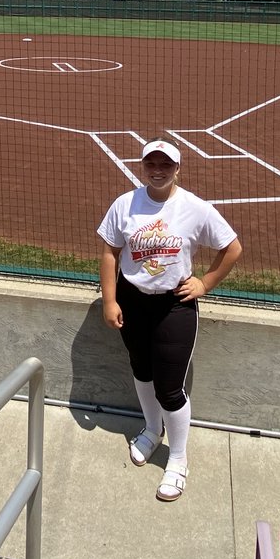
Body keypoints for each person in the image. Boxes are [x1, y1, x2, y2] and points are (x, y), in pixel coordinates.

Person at [97, 137, 243, 501]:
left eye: (166, 165)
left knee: (170, 386)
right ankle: (151, 430)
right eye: (151, 164)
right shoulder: (125, 204)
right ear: (143, 166)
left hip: (174, 306)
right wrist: (110, 301)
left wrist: (205, 282)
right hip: (132, 300)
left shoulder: (194, 208)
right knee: (141, 370)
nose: (158, 171)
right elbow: (110, 253)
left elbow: (232, 248)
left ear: (178, 168)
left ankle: (178, 459)